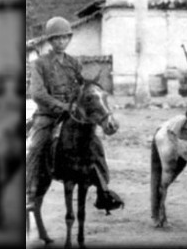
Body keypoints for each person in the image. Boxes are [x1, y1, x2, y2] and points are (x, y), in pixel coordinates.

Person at [26, 16, 121, 212]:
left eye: (64, 38)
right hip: (48, 115)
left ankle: (104, 191)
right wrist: (60, 105)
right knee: (36, 146)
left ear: (69, 39)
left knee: (95, 144)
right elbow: (37, 93)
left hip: (72, 114)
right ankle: (31, 193)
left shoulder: (74, 63)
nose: (61, 42)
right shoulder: (40, 64)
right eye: (56, 39)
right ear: (50, 41)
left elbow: (82, 87)